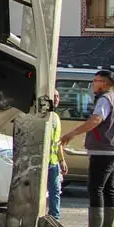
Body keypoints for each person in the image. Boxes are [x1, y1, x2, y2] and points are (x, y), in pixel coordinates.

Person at [60, 70, 114, 227]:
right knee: (109, 189)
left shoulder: (105, 99)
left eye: (96, 80)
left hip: (104, 151)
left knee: (95, 188)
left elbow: (96, 120)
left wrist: (72, 133)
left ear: (104, 83)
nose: (93, 84)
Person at [45, 91, 67, 219]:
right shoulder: (45, 117)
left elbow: (57, 141)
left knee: (55, 191)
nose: (57, 99)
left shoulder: (56, 117)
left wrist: (62, 160)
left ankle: (54, 217)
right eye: (54, 96)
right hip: (43, 162)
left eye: (58, 96)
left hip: (53, 162)